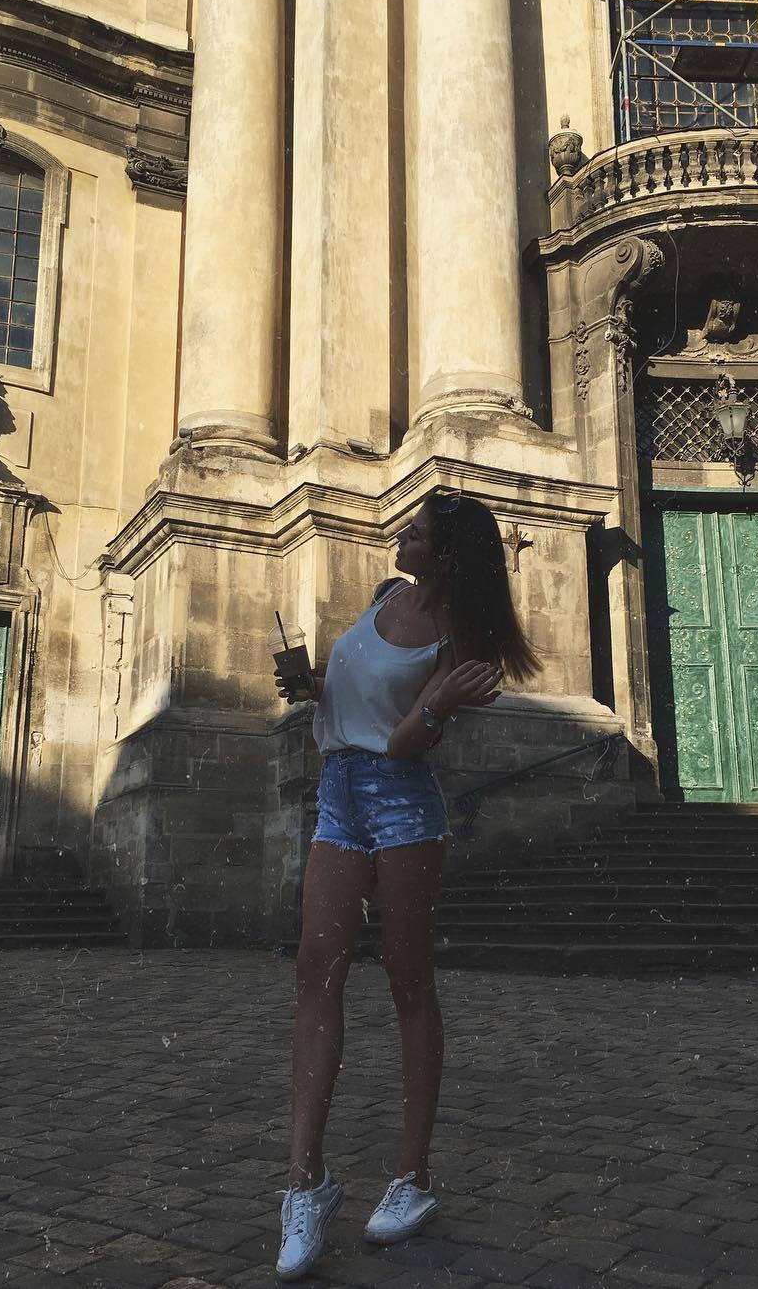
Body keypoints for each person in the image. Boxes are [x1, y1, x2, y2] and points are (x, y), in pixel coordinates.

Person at [272, 491, 542, 1281]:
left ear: (447, 556)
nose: (402, 534)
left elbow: (401, 744)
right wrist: (312, 685)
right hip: (338, 794)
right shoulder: (386, 593)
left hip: (401, 805)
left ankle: (412, 1179)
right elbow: (355, 701)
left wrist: (441, 703)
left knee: (407, 983)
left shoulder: (462, 645)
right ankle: (305, 1184)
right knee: (314, 972)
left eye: (417, 532)